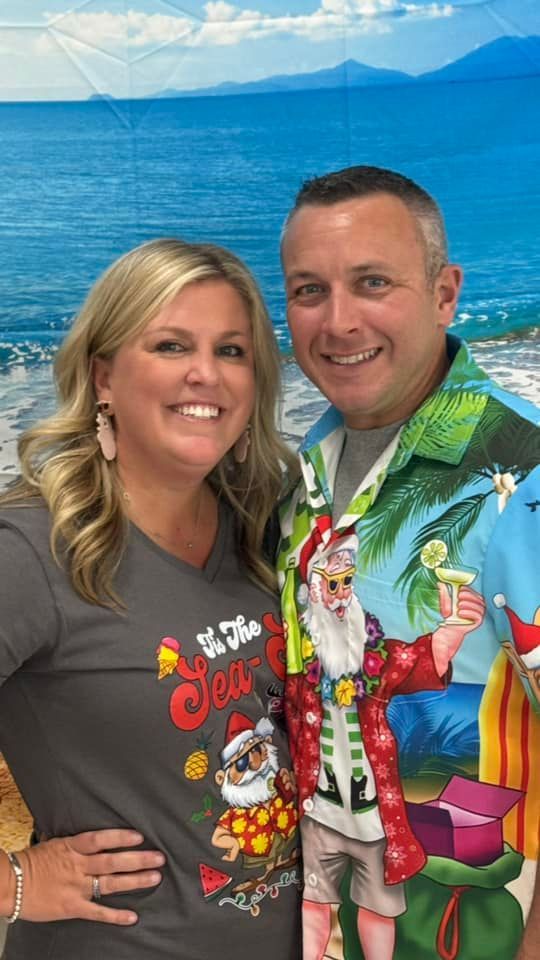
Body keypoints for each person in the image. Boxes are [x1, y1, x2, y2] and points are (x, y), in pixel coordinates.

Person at [0, 239, 302, 959]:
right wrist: (14, 882)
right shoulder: (32, 549)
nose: (207, 374)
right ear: (103, 375)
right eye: (171, 345)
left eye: (232, 351)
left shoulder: (263, 527)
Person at [277, 165, 540, 960]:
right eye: (308, 290)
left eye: (373, 282)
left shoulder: (516, 478)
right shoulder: (305, 469)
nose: (338, 321)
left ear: (444, 292)